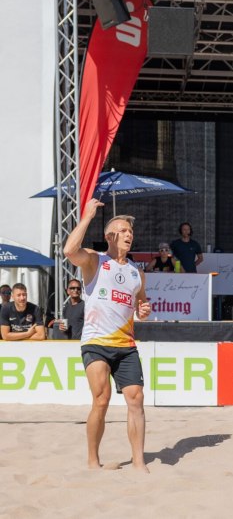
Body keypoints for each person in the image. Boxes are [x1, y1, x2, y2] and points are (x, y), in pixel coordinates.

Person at [64, 199, 152, 472]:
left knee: (136, 398)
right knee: (101, 399)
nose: (129, 235)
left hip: (126, 344)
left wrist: (144, 310)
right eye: (123, 231)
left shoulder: (137, 273)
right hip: (96, 342)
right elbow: (69, 250)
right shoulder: (94, 260)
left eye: (131, 232)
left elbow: (141, 304)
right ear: (110, 236)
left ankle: (139, 462)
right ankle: (93, 460)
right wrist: (88, 215)